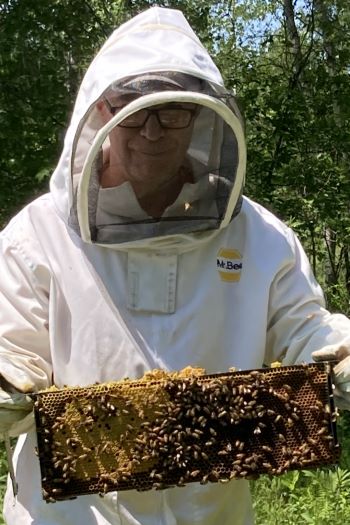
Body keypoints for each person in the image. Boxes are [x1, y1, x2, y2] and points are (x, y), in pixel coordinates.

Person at [0, 6, 350, 525]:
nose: (152, 130)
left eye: (172, 110)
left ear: (202, 115)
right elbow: (11, 353)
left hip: (212, 513)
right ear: (101, 113)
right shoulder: (37, 237)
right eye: (132, 109)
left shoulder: (260, 237)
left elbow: (310, 335)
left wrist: (342, 362)